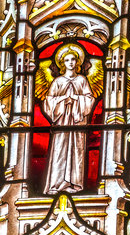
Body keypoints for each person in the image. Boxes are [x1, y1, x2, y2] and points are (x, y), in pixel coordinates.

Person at [41, 45, 98, 195]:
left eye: (73, 59)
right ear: (62, 64)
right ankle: (57, 184)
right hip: (61, 122)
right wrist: (62, 100)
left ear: (78, 62)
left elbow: (89, 100)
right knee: (59, 151)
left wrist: (76, 99)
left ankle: (75, 183)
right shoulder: (58, 81)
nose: (70, 62)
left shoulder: (82, 80)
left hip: (78, 121)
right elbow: (49, 101)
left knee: (77, 151)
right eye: (67, 60)